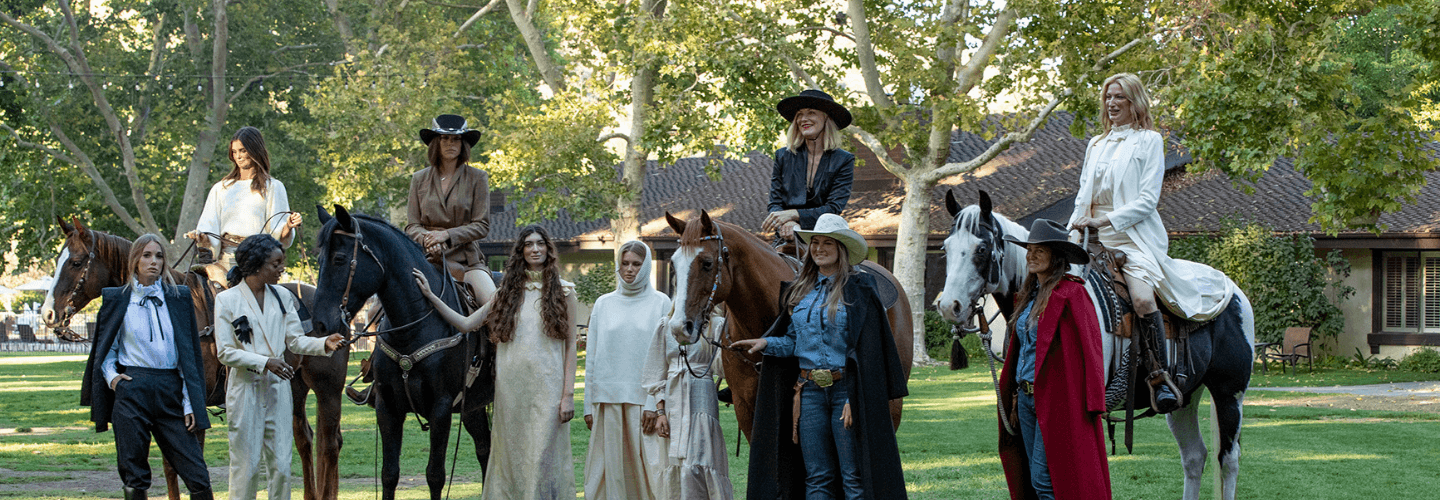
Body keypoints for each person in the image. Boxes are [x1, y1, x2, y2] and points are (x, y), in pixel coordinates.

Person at [1067, 72, 1233, 413]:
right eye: (1108, 97)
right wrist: (1073, 229)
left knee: (1142, 299)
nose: (1112, 103)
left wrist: (1104, 220)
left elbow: (1146, 200)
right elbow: (1084, 194)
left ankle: (1159, 377)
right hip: (1089, 236)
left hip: (1131, 238)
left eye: (1120, 98)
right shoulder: (1095, 144)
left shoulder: (1149, 141)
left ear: (1135, 102)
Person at [733, 213, 908, 500]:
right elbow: (793, 344)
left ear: (841, 248)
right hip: (809, 393)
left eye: (828, 242)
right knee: (817, 477)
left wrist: (856, 396)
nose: (819, 248)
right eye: (815, 242)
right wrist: (766, 343)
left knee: (853, 477)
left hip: (844, 392)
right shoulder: (798, 292)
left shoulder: (860, 290)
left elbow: (869, 350)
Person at [413, 225, 577, 500]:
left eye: (540, 244)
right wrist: (431, 296)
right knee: (513, 456)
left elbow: (572, 345)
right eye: (528, 244)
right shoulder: (507, 293)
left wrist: (568, 395)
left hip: (549, 387)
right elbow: (466, 324)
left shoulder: (565, 292)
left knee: (542, 457)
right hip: (510, 390)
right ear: (521, 252)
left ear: (548, 249)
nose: (535, 249)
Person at [81, 234, 213, 500]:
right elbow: (107, 349)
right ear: (135, 260)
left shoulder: (179, 298)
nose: (154, 262)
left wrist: (189, 402)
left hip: (170, 390)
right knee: (134, 474)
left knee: (197, 474)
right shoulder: (117, 299)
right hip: (132, 390)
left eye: (159, 256)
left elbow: (188, 356)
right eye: (147, 255)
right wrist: (113, 378)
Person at [213, 235, 344, 500]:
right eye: (276, 264)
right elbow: (226, 352)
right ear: (257, 265)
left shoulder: (283, 296)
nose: (282, 269)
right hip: (245, 391)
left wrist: (323, 344)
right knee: (246, 469)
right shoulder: (227, 300)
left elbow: (295, 340)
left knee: (282, 467)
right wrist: (265, 362)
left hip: (278, 391)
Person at [996, 219, 1112, 500]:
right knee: (1032, 478)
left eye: (1040, 251)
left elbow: (1091, 349)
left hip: (1058, 400)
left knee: (1045, 480)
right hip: (1024, 400)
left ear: (1056, 257)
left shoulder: (1073, 294)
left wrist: (1094, 402)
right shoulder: (1027, 297)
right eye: (1029, 250)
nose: (1031, 256)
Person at [583, 240, 668, 499]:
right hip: (608, 401)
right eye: (625, 263)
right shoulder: (603, 304)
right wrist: (588, 405)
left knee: (649, 473)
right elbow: (592, 358)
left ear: (645, 267)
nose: (629, 269)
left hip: (644, 403)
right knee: (610, 473)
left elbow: (665, 358)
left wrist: (655, 402)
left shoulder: (661, 303)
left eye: (636, 264)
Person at [641, 304, 734, 500]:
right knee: (675, 463)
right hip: (672, 401)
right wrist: (660, 412)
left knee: (701, 457)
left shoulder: (716, 325)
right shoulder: (666, 324)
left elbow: (722, 369)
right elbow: (656, 370)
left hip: (702, 396)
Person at [188, 126, 302, 285]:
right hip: (224, 261)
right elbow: (209, 224)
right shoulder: (221, 188)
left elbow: (278, 233)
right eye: (234, 152)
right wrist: (202, 236)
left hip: (257, 261)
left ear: (255, 150)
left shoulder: (273, 187)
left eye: (242, 151)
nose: (238, 156)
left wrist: (288, 226)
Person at [406, 114, 496, 306]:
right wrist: (428, 239)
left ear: (463, 144)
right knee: (376, 313)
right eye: (444, 138)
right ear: (435, 143)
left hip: (466, 261)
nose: (450, 143)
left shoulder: (477, 177)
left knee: (493, 306)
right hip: (424, 258)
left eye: (456, 139)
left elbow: (482, 226)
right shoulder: (419, 178)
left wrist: (446, 235)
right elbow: (412, 226)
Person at [762, 89, 856, 241]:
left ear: (827, 118)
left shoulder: (844, 160)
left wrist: (794, 214)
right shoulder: (783, 156)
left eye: (811, 112)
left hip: (825, 236)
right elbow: (775, 202)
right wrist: (789, 222)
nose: (803, 119)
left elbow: (833, 208)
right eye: (799, 114)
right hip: (786, 234)